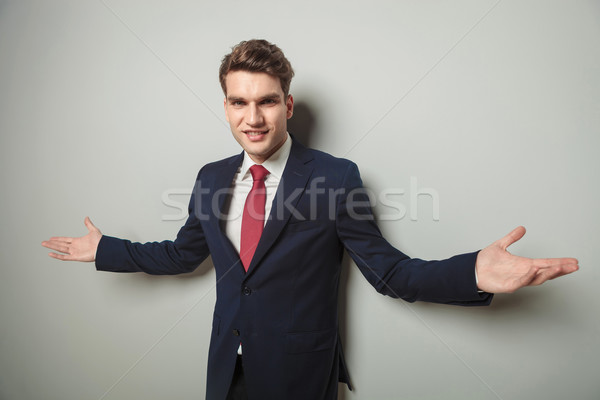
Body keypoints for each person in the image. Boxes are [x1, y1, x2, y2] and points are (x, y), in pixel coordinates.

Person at [41, 39, 578, 400]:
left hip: (300, 371)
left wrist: (473, 274)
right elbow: (184, 254)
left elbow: (390, 273)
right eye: (238, 103)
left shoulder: (336, 177)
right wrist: (105, 248)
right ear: (225, 106)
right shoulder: (209, 177)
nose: (253, 118)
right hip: (226, 367)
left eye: (267, 102)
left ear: (289, 105)